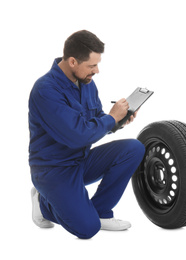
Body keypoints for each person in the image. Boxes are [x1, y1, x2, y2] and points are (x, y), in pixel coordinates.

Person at [28, 30, 145, 239]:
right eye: (92, 65)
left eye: (97, 64)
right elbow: (77, 135)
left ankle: (99, 211)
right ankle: (43, 202)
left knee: (133, 149)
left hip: (81, 160)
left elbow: (96, 120)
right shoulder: (45, 90)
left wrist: (119, 121)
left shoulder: (87, 83)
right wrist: (110, 118)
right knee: (87, 229)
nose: (97, 71)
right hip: (54, 170)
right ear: (73, 61)